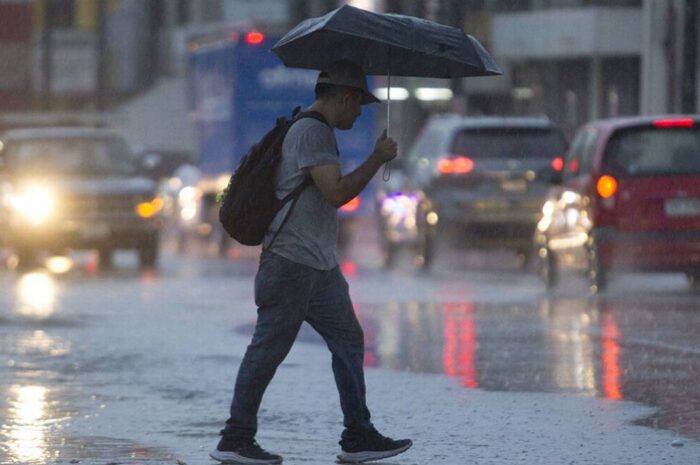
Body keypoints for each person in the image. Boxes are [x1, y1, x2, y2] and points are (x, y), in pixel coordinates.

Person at [210, 60, 412, 465]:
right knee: (267, 350)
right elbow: (336, 193)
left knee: (349, 341)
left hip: (318, 266)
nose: (359, 114)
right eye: (359, 106)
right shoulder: (313, 132)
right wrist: (376, 159)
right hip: (291, 264)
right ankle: (235, 439)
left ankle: (358, 436)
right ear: (345, 97)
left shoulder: (313, 130)